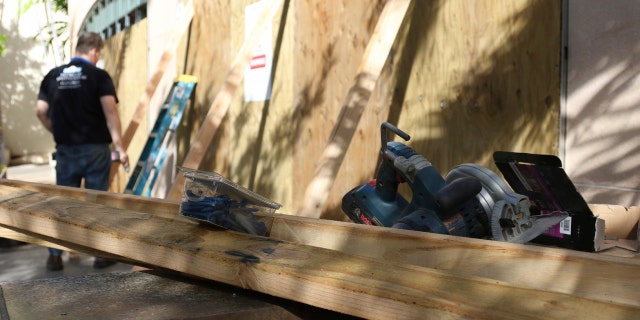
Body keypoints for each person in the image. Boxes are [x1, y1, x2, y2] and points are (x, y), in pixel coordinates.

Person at [36, 32, 129, 271]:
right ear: (94, 51)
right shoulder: (98, 76)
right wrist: (120, 147)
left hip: (66, 149)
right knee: (98, 201)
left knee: (63, 202)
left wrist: (58, 132)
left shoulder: (53, 76)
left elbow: (41, 111)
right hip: (96, 149)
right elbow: (110, 111)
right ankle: (100, 255)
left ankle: (55, 255)